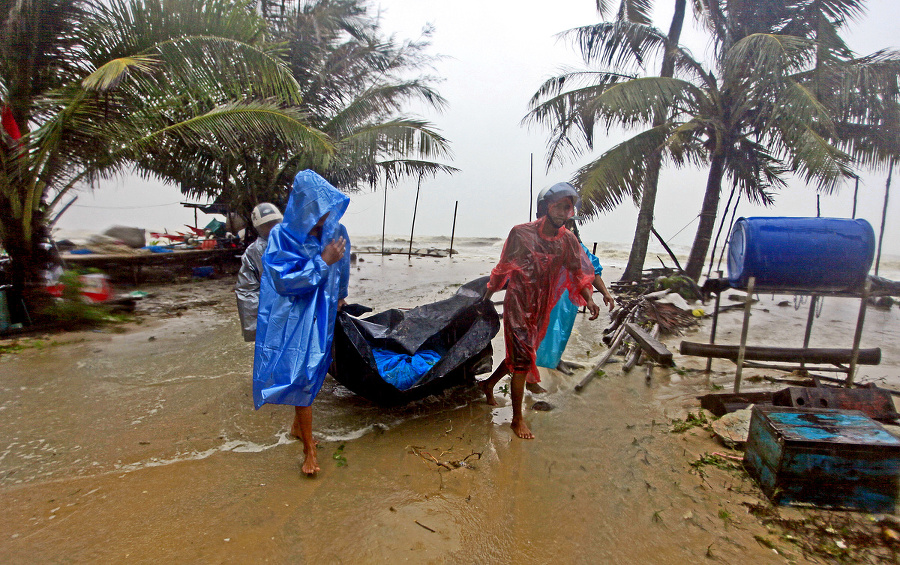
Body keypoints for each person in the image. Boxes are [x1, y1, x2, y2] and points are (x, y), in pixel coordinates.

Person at [480, 182, 600, 439]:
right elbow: (502, 268)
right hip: (518, 305)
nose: (564, 212)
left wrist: (589, 299)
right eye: (559, 206)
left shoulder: (568, 239)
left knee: (521, 356)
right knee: (522, 360)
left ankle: (487, 385)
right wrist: (487, 297)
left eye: (568, 208)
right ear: (546, 206)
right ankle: (516, 419)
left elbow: (578, 273)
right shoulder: (521, 234)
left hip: (542, 307)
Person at [253, 170, 351, 475]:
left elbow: (343, 268)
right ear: (303, 206)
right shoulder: (282, 236)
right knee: (303, 372)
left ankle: (298, 427)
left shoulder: (337, 230)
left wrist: (342, 296)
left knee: (316, 368)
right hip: (294, 314)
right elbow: (283, 281)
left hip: (322, 310)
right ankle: (309, 448)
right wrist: (323, 261)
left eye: (327, 208)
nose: (323, 216)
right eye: (317, 208)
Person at [535, 216, 615, 375]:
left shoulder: (576, 247)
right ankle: (531, 372)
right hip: (542, 295)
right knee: (537, 332)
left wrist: (605, 294)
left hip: (566, 298)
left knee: (560, 330)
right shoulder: (541, 244)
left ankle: (553, 361)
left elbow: (591, 271)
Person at [235, 202, 283, 342]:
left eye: (275, 223)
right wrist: (261, 325)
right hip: (273, 314)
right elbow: (246, 290)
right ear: (258, 228)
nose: (272, 228)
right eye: (267, 225)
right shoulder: (253, 252)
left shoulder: (293, 243)